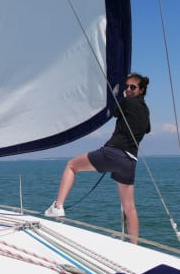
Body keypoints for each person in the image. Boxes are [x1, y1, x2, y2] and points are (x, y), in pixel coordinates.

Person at [44, 73, 151, 244]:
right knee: (129, 207)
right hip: (130, 161)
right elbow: (146, 129)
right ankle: (135, 246)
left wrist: (120, 97)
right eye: (127, 86)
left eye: (133, 87)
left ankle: (58, 207)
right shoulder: (145, 110)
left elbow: (114, 111)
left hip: (113, 152)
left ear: (141, 90)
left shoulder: (127, 102)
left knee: (71, 166)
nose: (128, 90)